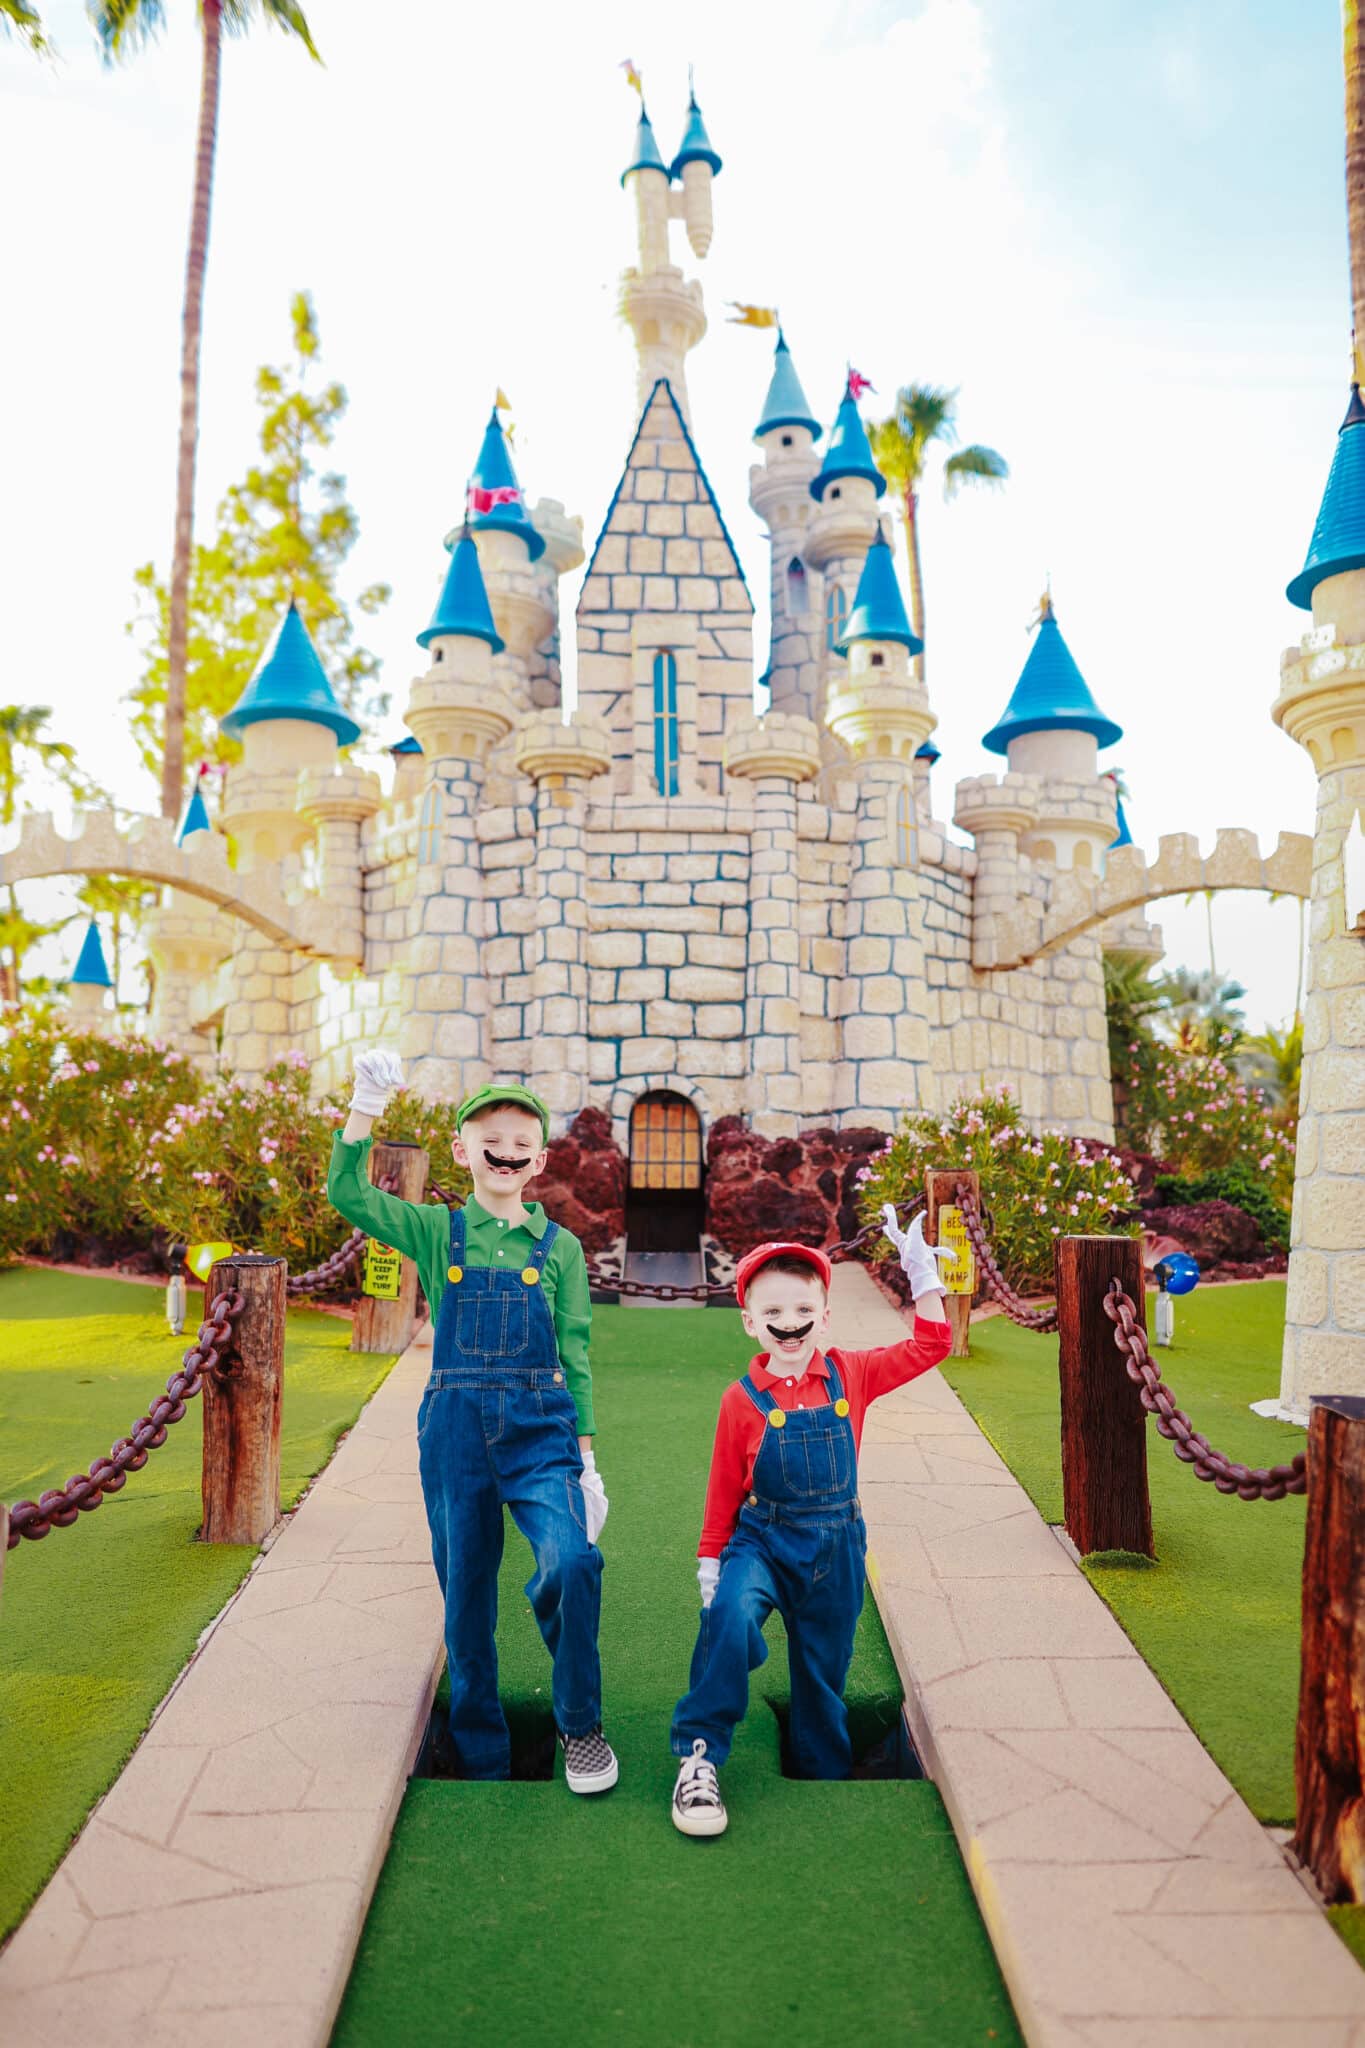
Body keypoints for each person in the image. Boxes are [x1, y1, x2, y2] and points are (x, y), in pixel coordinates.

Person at [327, 1049, 616, 1794]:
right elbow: (347, 1192)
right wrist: (363, 1107)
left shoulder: (561, 1250)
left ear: (539, 1158)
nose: (507, 1153)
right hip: (454, 1431)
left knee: (571, 1561)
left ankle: (579, 1723)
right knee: (465, 1594)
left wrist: (586, 1459)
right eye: (493, 1139)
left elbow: (575, 1351)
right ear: (463, 1150)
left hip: (540, 1432)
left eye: (523, 1144)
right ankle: (481, 1750)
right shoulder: (434, 1231)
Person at [669, 1207, 951, 1835]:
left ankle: (823, 1775)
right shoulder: (741, 1401)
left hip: (837, 1546)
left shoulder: (853, 1372)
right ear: (750, 1323)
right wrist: (711, 1559)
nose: (789, 1325)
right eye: (772, 1315)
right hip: (762, 1539)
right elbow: (723, 1487)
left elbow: (933, 1344)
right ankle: (699, 1755)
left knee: (824, 1671)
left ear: (825, 1315)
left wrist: (924, 1281)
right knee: (731, 1620)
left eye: (802, 1312)